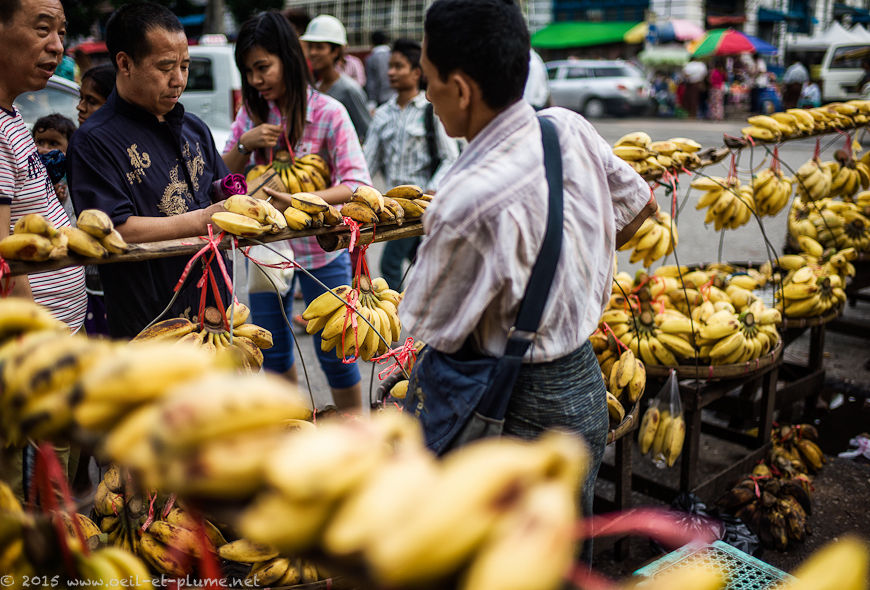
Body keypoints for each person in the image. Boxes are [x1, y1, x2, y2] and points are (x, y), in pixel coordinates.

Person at [399, 0, 656, 533]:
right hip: (584, 387)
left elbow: (426, 325)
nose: (426, 95)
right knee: (562, 555)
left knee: (501, 559)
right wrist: (573, 275)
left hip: (514, 404)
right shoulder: (568, 129)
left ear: (463, 89)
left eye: (428, 80)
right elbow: (640, 207)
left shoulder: (464, 197)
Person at [220, 11, 371, 412]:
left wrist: (301, 201)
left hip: (324, 251)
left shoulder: (329, 113)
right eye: (248, 71)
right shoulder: (250, 117)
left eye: (263, 67)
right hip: (264, 257)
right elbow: (222, 181)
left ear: (287, 57)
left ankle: (356, 440)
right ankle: (294, 434)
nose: (255, 80)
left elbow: (358, 184)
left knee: (338, 355)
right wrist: (245, 144)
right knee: (273, 354)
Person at [67, 2, 231, 339]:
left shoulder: (194, 128)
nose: (179, 80)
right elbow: (116, 228)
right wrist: (201, 220)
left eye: (184, 66)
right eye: (166, 67)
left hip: (215, 311)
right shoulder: (94, 141)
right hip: (150, 320)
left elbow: (223, 191)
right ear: (124, 63)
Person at [0, 0, 87, 503]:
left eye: (60, 31)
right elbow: (3, 265)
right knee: (32, 514)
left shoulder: (12, 116)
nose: (57, 45)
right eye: (41, 29)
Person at [364, 39, 459, 290]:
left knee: (391, 264)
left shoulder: (431, 111)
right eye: (390, 67)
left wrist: (430, 191)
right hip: (393, 209)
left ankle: (396, 316)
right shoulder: (383, 115)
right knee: (422, 262)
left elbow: (450, 156)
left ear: (417, 72)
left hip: (422, 207)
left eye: (398, 66)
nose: (391, 72)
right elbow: (367, 163)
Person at [300, 15, 371, 141]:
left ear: (336, 51)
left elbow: (368, 133)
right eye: (310, 47)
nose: (313, 53)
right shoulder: (316, 87)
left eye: (319, 47)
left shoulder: (349, 89)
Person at [32, 113, 75, 218]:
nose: (44, 149)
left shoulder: (72, 177)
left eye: (53, 143)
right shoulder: (30, 171)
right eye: (40, 142)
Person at [365, 31, 395, 111]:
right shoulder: (393, 55)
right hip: (395, 96)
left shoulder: (371, 59)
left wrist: (371, 103)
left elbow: (371, 83)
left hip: (380, 100)